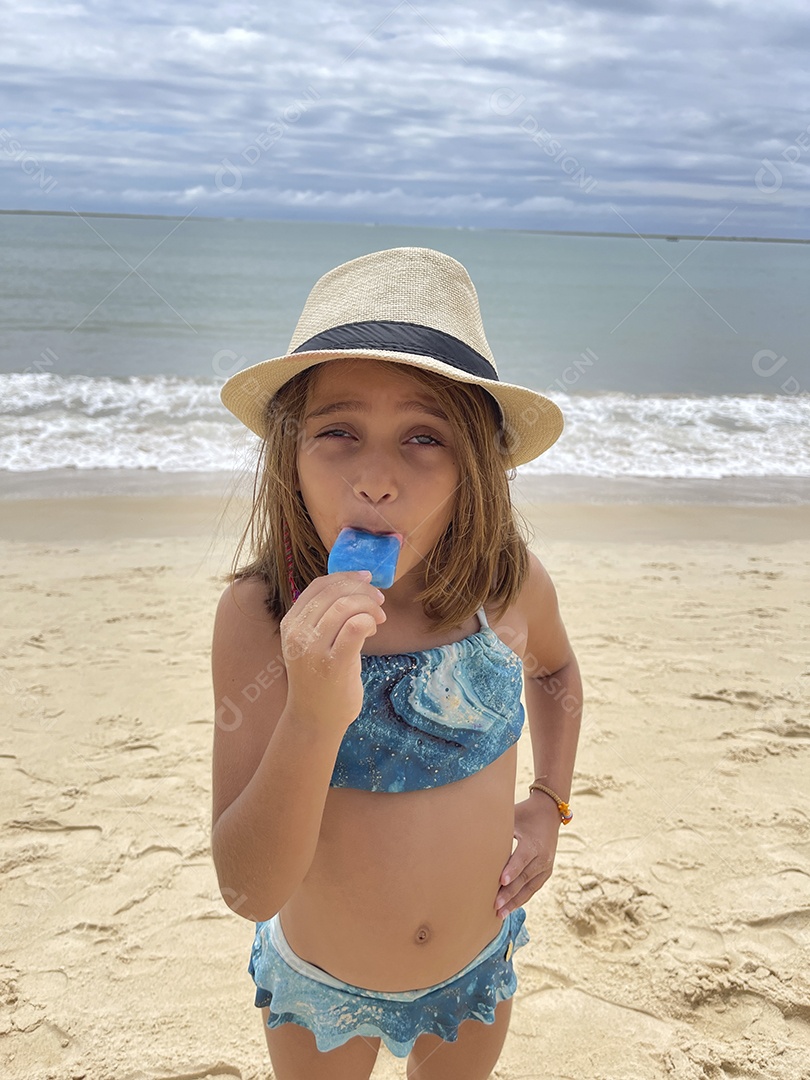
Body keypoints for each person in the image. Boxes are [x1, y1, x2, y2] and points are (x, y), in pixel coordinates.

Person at [210, 246, 582, 1080]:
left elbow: (555, 674)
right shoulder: (261, 618)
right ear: (289, 456)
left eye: (424, 437)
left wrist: (549, 803)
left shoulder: (506, 588)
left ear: (476, 465)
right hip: (321, 993)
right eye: (338, 432)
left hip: (474, 971)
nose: (376, 479)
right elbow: (247, 891)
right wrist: (311, 712)